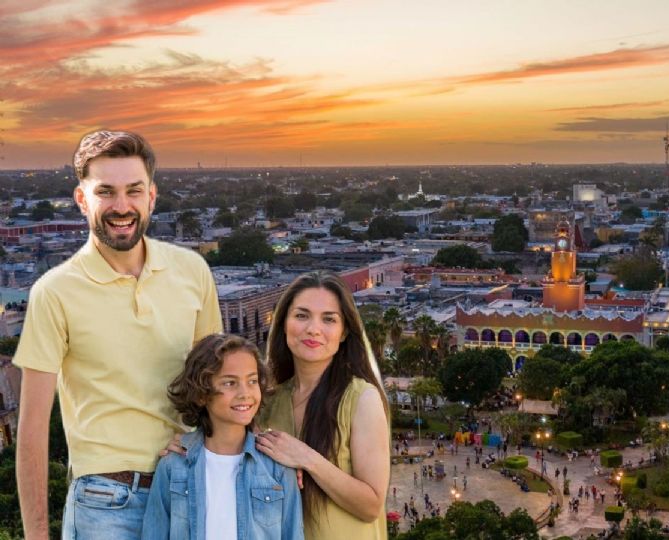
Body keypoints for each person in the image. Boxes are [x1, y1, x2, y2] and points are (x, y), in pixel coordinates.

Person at [14, 130, 222, 539]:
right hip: (103, 503)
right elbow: (33, 431)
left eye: (133, 190)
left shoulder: (192, 271)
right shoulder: (55, 291)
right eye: (105, 192)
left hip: (186, 490)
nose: (121, 206)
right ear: (81, 199)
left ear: (152, 196)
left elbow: (218, 389)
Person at [255, 271, 390, 539]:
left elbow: (371, 505)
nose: (313, 329)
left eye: (328, 319)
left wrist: (306, 457)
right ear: (283, 324)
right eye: (301, 316)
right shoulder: (267, 402)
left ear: (343, 333)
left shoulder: (361, 398)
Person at [143, 334, 303, 540]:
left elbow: (292, 534)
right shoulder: (173, 466)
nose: (245, 393)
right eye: (230, 383)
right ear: (201, 394)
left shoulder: (277, 468)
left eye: (252, 381)